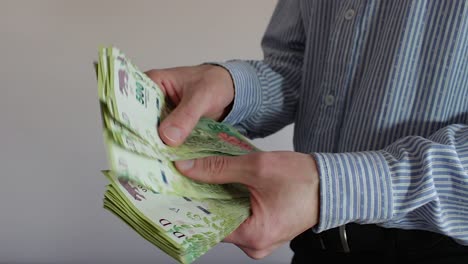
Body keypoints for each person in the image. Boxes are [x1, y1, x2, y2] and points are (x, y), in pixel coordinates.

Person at [146, 0, 468, 263]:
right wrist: (231, 88)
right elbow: (300, 68)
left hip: (436, 248)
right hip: (313, 244)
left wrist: (331, 187)